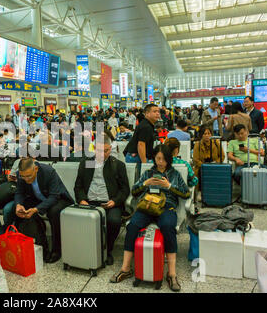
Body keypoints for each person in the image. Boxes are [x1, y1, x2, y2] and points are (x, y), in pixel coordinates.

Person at [110, 145, 190, 292]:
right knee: (132, 225)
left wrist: (169, 186)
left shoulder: (174, 174)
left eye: (163, 159)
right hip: (147, 206)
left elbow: (186, 194)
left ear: (168, 160)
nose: (160, 162)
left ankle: (171, 273)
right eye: (158, 158)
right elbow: (134, 191)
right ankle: (125, 268)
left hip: (167, 207)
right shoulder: (148, 173)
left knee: (167, 227)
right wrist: (145, 184)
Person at [74, 135, 130, 265]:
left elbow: (125, 189)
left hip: (110, 202)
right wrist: (82, 199)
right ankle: (88, 248)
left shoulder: (118, 165)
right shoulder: (86, 163)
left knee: (114, 221)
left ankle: (107, 249)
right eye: (99, 151)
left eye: (106, 151)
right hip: (90, 201)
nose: (103, 154)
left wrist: (115, 201)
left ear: (110, 149)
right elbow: (78, 186)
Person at [14, 157, 74, 263]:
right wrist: (18, 205)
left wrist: (37, 209)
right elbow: (19, 192)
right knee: (23, 210)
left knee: (54, 212)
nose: (26, 179)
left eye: (29, 176)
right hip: (39, 199)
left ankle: (57, 250)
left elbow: (54, 196)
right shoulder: (21, 174)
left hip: (59, 199)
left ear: (36, 169)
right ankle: (41, 246)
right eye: (23, 177)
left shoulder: (48, 172)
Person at [192, 125, 224, 201]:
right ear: (201, 135)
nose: (207, 136)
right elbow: (195, 159)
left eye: (208, 133)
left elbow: (222, 156)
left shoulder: (216, 143)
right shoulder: (197, 144)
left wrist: (215, 163)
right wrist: (204, 166)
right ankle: (199, 192)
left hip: (215, 165)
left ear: (211, 134)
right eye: (204, 134)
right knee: (200, 172)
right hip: (201, 166)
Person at [124, 104, 160, 169]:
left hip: (136, 156)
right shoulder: (146, 126)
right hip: (137, 157)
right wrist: (144, 164)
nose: (157, 113)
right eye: (154, 112)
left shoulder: (147, 124)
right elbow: (141, 144)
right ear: (147, 113)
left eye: (158, 111)